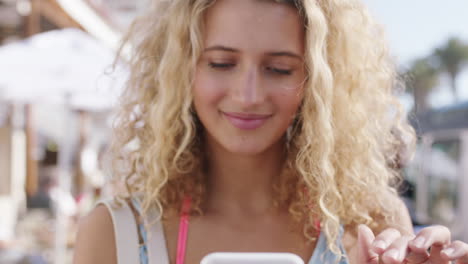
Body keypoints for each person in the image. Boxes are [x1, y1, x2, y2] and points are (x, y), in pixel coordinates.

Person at [73, 0, 468, 263]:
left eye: (279, 69)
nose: (247, 96)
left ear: (318, 82)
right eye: (221, 63)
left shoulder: (372, 224)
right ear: (180, 71)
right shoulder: (117, 236)